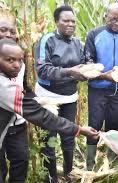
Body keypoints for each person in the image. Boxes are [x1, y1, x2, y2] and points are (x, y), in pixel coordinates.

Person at [0, 38, 99, 182]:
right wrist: (80, 130)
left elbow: (24, 90)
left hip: (10, 125)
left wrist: (35, 100)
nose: (17, 65)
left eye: (20, 60)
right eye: (10, 60)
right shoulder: (3, 86)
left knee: (20, 161)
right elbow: (44, 117)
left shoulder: (14, 72)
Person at [34, 5, 87, 182]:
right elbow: (42, 70)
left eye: (73, 21)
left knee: (69, 136)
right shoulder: (47, 40)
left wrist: (89, 69)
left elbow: (84, 64)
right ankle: (50, 177)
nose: (70, 24)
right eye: (66, 21)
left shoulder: (77, 43)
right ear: (57, 22)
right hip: (48, 97)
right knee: (49, 139)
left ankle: (69, 173)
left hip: (69, 97)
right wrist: (70, 72)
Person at [84, 3, 118, 170]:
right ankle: (90, 166)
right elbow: (87, 61)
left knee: (115, 125)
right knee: (95, 124)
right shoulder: (94, 34)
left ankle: (113, 164)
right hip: (98, 89)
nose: (116, 22)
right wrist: (104, 75)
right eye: (113, 18)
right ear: (106, 16)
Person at [0, 8, 30, 183]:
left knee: (21, 161)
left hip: (17, 121)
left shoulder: (18, 60)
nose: (8, 34)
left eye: (12, 31)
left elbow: (24, 87)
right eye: (3, 30)